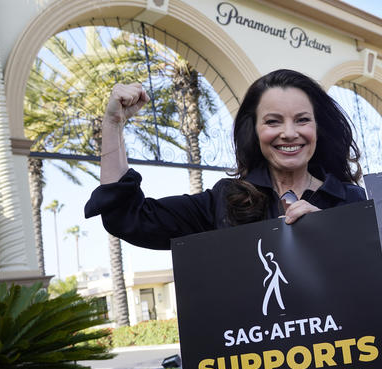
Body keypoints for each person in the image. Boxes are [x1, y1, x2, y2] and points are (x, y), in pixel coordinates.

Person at [85, 69, 366, 248]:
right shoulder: (224, 202)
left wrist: (333, 233)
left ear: (318, 128)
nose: (289, 133)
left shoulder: (354, 201)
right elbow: (128, 218)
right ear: (253, 131)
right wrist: (113, 124)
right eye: (273, 121)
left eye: (302, 120)